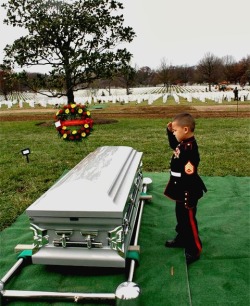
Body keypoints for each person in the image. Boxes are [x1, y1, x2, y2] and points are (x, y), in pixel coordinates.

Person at [164, 113, 207, 265]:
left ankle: (195, 249)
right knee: (180, 217)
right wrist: (169, 132)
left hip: (187, 192)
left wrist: (188, 197)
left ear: (186, 129)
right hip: (179, 190)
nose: (174, 132)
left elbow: (190, 175)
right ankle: (182, 238)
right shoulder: (182, 144)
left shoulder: (189, 148)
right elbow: (173, 146)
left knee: (189, 220)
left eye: (175, 130)